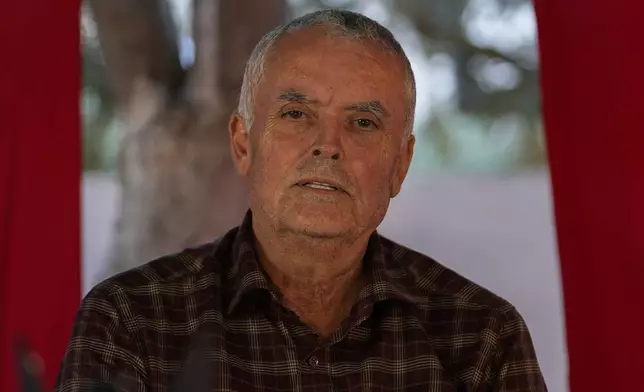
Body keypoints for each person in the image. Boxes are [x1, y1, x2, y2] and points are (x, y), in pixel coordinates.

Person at [55, 9, 547, 392]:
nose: (327, 145)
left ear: (400, 164)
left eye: (363, 123)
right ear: (243, 144)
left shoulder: (479, 337)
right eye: (295, 114)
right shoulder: (131, 321)